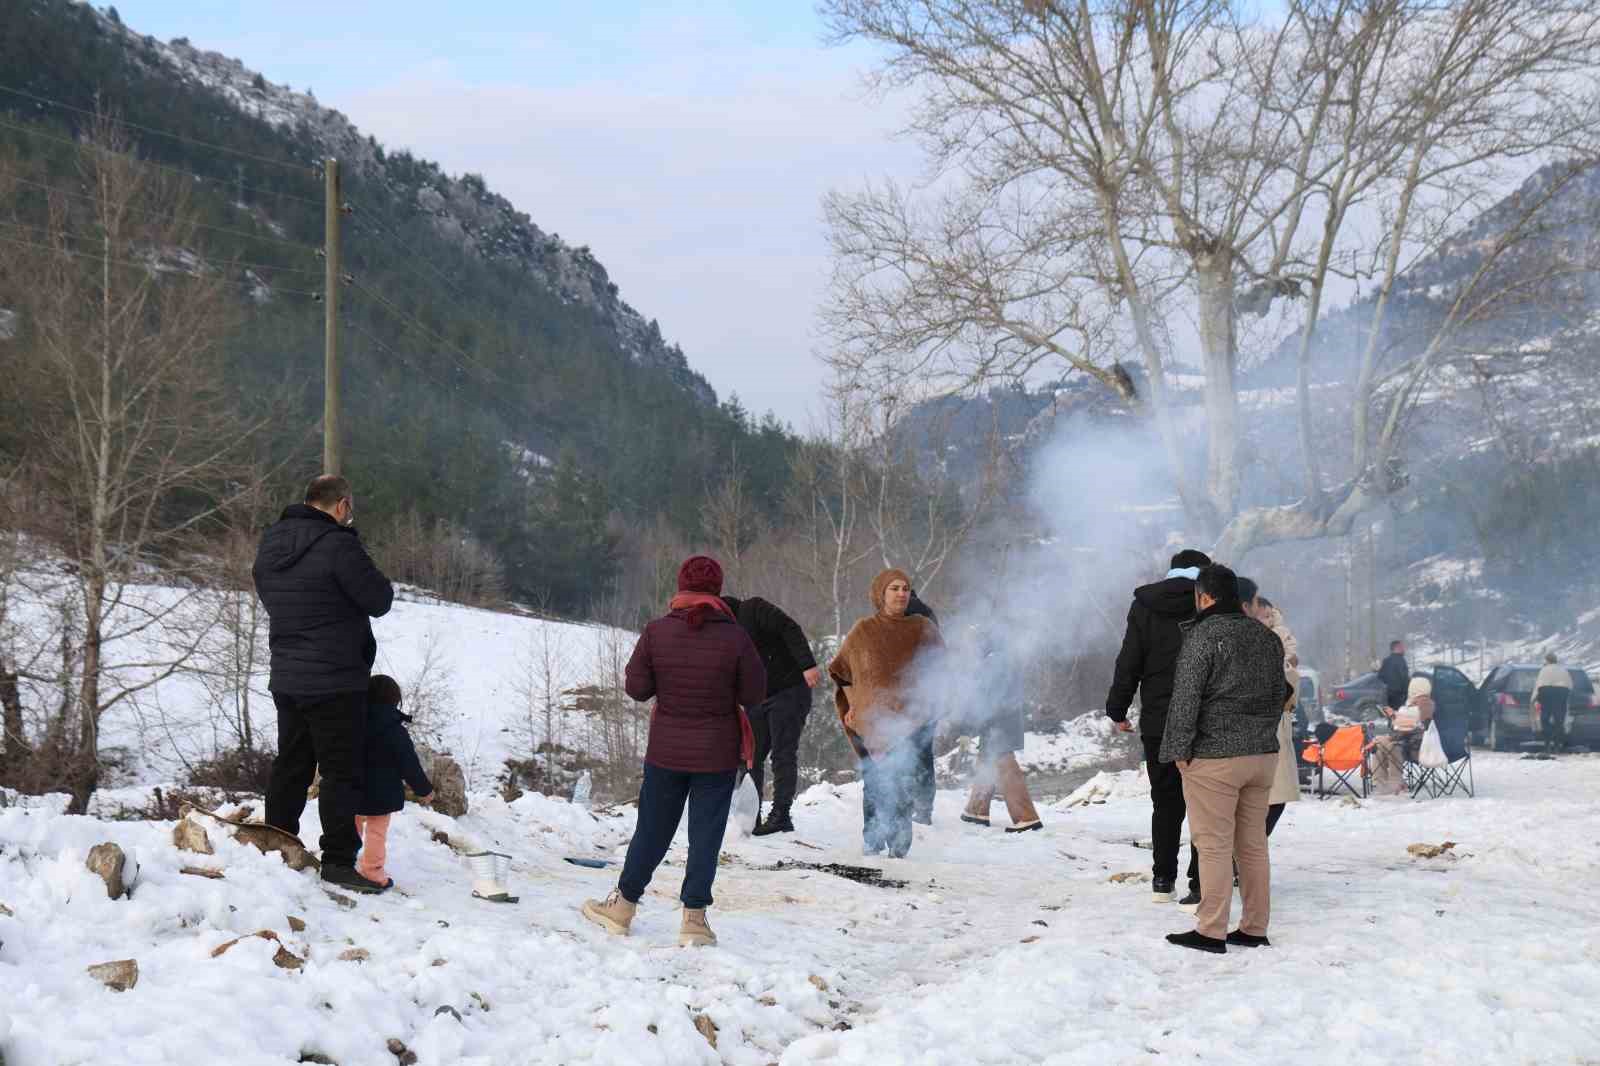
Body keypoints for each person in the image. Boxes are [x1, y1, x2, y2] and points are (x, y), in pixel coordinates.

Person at [581, 556, 765, 948]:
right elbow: (754, 693)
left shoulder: (657, 631)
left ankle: (622, 907)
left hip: (666, 752)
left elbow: (636, 688)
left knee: (652, 830)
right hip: (716, 754)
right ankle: (694, 920)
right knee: (705, 836)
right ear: (717, 590)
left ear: (681, 587)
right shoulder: (735, 637)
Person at [254, 475, 395, 895]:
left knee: (291, 764)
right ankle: (337, 862)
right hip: (335, 677)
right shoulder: (339, 544)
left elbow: (274, 592)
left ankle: (277, 845)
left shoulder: (272, 542)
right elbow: (379, 599)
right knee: (340, 773)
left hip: (287, 673)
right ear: (342, 505)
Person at [1160, 564, 1286, 954]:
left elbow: (1185, 700)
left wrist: (1178, 751)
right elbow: (1280, 694)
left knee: (1213, 844)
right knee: (1252, 846)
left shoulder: (1203, 636)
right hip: (1262, 755)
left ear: (1204, 596)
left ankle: (1211, 930)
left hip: (1215, 757)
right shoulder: (1267, 638)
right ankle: (1254, 928)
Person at [1179, 579, 1299, 911]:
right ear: (1245, 605)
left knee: (1227, 831)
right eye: (1258, 604)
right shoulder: (1247, 638)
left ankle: (1217, 918)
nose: (1262, 611)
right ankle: (1234, 912)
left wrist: (1179, 749)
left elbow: (1187, 699)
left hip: (1245, 742)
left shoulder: (1260, 639)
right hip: (1250, 743)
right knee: (1232, 832)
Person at [1106, 548, 1211, 902]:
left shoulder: (1144, 605)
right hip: (1202, 720)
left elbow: (1129, 660)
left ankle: (1162, 880)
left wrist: (1117, 708)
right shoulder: (1208, 602)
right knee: (1204, 802)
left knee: (1165, 801)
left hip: (1158, 720)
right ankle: (1200, 882)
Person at [829, 569, 945, 858]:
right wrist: (852, 705)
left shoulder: (922, 628)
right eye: (894, 588)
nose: (901, 593)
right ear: (880, 594)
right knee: (874, 781)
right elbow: (842, 672)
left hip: (913, 718)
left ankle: (899, 846)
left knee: (903, 779)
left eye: (905, 588)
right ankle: (872, 840)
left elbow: (943, 668)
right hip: (872, 719)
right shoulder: (863, 630)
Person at [718, 593, 821, 836]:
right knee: (750, 756)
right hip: (758, 698)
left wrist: (807, 664)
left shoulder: (753, 609)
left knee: (782, 754)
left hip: (789, 689)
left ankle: (781, 815)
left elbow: (789, 627)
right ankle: (750, 816)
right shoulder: (726, 636)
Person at [355, 674, 434, 890]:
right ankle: (372, 872)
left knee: (351, 824)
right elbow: (409, 763)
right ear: (394, 700)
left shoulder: (352, 722)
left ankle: (344, 861)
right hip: (382, 792)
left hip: (352, 786)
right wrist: (424, 790)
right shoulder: (395, 730)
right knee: (376, 832)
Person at [906, 591, 940, 824]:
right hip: (931, 697)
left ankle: (915, 806)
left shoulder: (908, 615)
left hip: (915, 697)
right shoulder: (928, 615)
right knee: (923, 754)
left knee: (909, 753)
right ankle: (924, 809)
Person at [1370, 676, 1433, 795]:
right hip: (1405, 740)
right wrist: (1394, 717)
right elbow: (1406, 725)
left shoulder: (1425, 704)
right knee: (1379, 745)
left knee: (1391, 746)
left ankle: (1394, 783)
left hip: (1415, 746)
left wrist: (1396, 721)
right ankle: (1380, 783)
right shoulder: (1410, 704)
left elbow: (1419, 726)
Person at [1533, 653, 1573, 753]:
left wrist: (1534, 699)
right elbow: (1570, 685)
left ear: (1547, 660)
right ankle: (1557, 745)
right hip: (1560, 696)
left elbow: (1538, 685)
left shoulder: (1543, 670)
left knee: (1545, 720)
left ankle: (1547, 744)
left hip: (1546, 695)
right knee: (1559, 721)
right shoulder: (1563, 670)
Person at [1379, 640, 1411, 713]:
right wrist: (1408, 691)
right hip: (1400, 695)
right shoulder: (1400, 660)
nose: (1404, 649)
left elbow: (1380, 676)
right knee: (1400, 715)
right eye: (1402, 647)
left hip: (1389, 695)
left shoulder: (1386, 661)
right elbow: (1404, 678)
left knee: (1391, 715)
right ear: (1397, 648)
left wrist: (1389, 684)